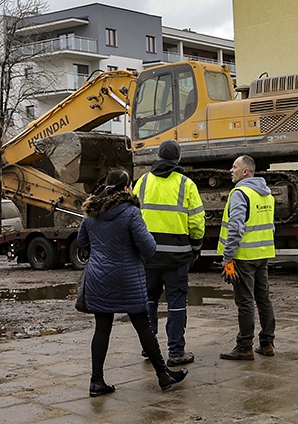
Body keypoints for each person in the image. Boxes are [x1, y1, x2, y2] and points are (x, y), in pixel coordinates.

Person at [77, 169, 188, 396]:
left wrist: (101, 253)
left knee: (102, 327)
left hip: (99, 278)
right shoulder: (131, 212)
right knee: (142, 326)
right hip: (127, 277)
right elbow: (149, 247)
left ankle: (96, 381)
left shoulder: (92, 212)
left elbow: (82, 242)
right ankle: (163, 375)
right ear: (127, 187)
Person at [134, 140, 205, 366]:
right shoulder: (186, 184)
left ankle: (149, 349)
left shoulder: (143, 181)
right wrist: (196, 247)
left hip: (148, 256)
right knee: (176, 303)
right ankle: (176, 352)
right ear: (178, 159)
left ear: (158, 157)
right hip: (177, 257)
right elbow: (196, 220)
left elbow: (133, 215)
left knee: (148, 302)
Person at [218, 155, 276, 360]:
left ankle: (244, 347)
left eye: (234, 167)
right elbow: (271, 226)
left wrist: (228, 256)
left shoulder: (240, 193)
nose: (230, 170)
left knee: (245, 302)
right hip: (263, 254)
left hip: (244, 256)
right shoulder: (266, 194)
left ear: (245, 172)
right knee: (263, 299)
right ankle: (267, 344)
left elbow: (235, 227)